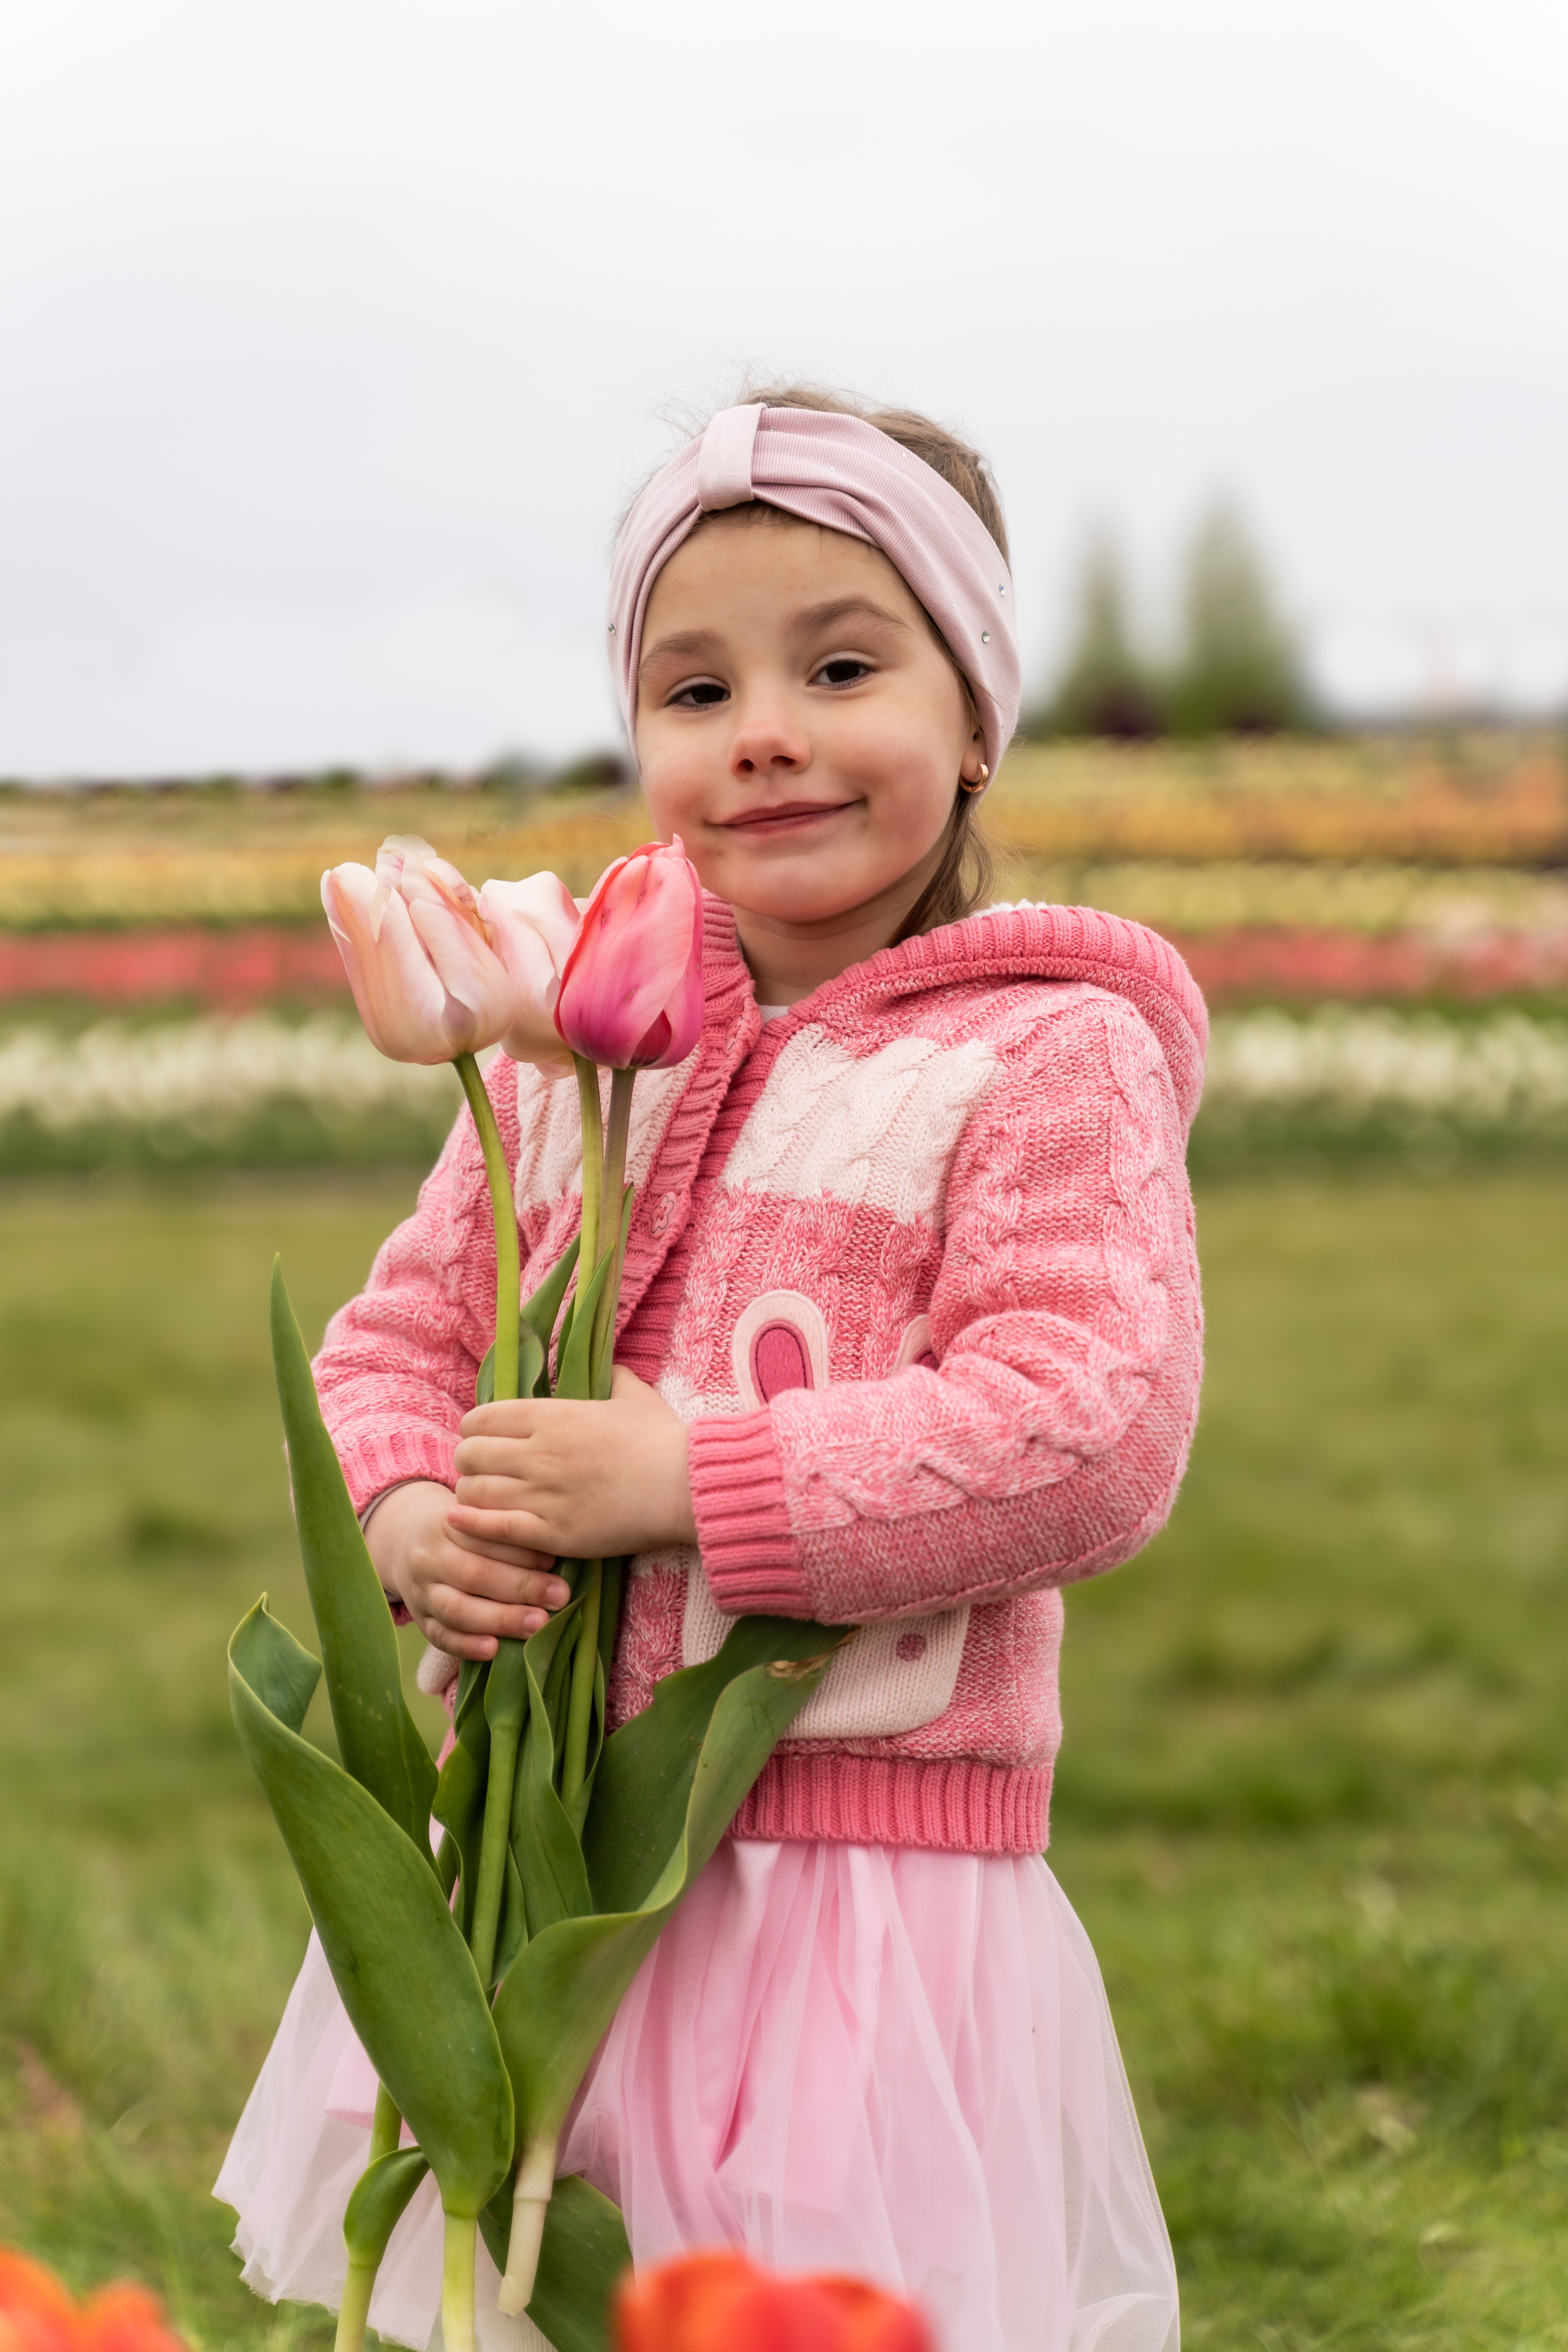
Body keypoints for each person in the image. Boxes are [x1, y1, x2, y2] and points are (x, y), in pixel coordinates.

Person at [216, 388, 1204, 2352]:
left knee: (796, 2319)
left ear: (978, 711)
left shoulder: (1042, 1060)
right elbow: (399, 1337)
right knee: (517, 2298)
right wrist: (417, 1516)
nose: (763, 729)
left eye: (842, 665)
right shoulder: (577, 1048)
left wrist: (695, 1484)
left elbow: (1091, 1431)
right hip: (534, 1871)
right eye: (694, 686)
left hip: (864, 1899)